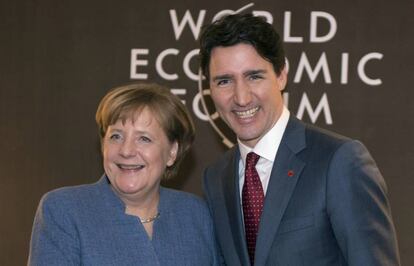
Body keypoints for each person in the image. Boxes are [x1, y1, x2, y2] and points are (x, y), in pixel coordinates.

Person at [200, 13, 400, 266]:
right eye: (225, 81)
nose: (241, 97)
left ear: (281, 74)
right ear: (210, 88)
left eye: (254, 76)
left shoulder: (339, 161)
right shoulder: (215, 177)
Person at [28, 82, 219, 265]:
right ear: (103, 144)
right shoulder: (64, 210)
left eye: (144, 139)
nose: (126, 151)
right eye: (116, 136)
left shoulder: (196, 214)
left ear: (172, 152)